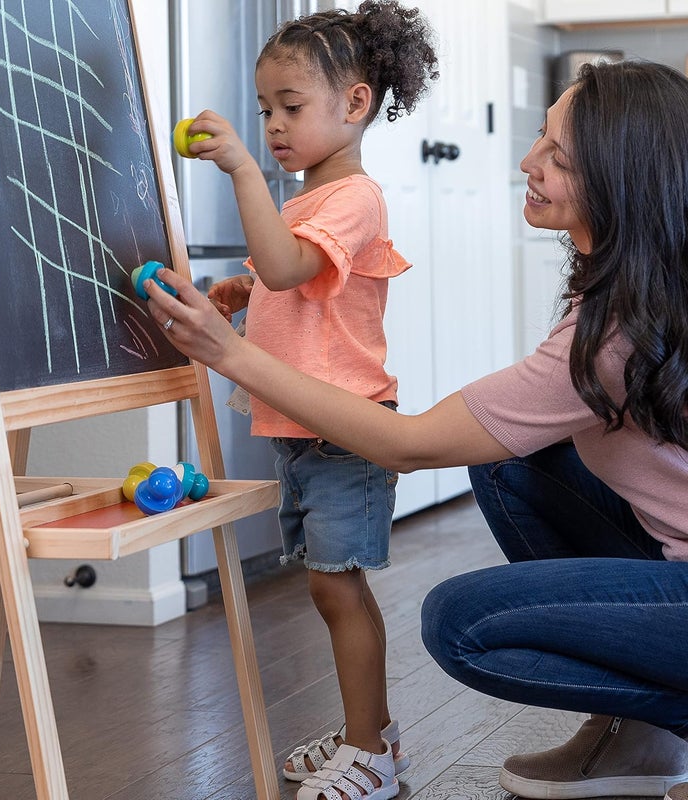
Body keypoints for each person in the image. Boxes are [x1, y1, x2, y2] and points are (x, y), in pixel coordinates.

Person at [146, 58, 688, 800]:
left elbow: (410, 444)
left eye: (559, 158)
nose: (528, 162)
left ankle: (663, 716)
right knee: (508, 464)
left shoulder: (613, 333)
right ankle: (644, 735)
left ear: (623, 180)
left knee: (460, 620)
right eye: (539, 138)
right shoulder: (631, 289)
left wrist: (228, 353)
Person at [173, 3, 438, 799]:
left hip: (345, 434)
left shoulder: (353, 196)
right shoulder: (305, 203)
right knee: (329, 584)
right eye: (265, 111)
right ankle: (374, 732)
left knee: (336, 584)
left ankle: (371, 751)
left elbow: (292, 268)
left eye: (291, 107)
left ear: (355, 105)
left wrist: (244, 172)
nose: (275, 126)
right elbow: (289, 284)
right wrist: (244, 290)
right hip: (304, 433)